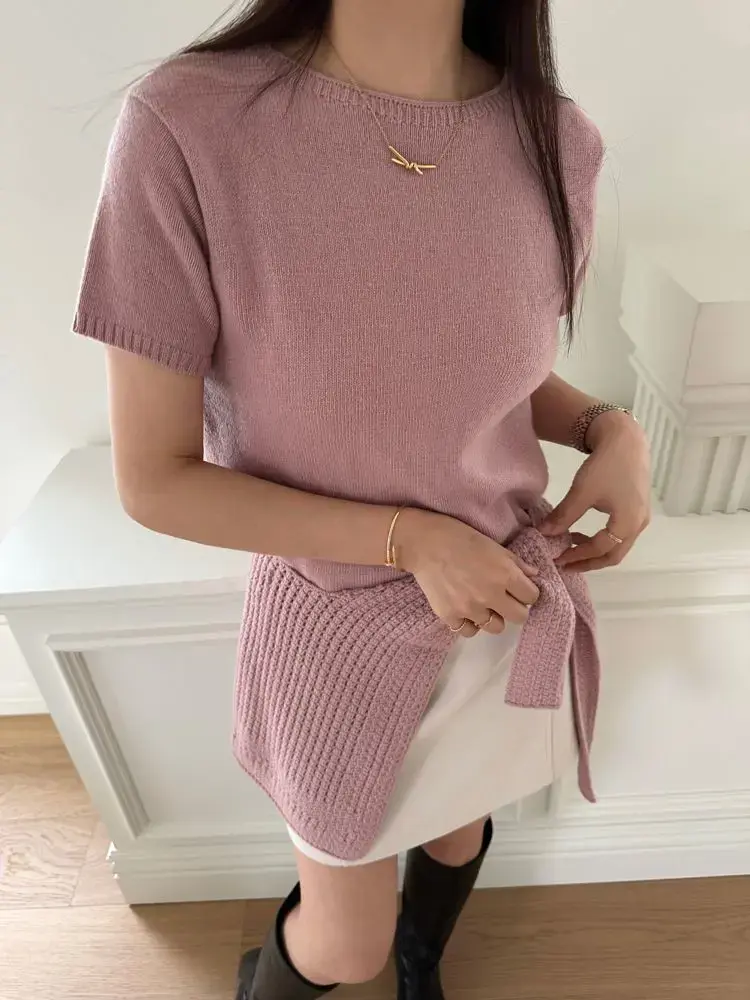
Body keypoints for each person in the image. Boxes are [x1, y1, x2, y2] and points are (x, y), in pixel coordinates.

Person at [72, 1, 651, 998]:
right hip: (334, 624)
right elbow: (154, 478)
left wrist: (612, 429)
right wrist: (408, 539)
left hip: (502, 602)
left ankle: (425, 962)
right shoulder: (188, 123)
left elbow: (484, 370)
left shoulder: (559, 142)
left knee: (461, 827)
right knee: (346, 947)